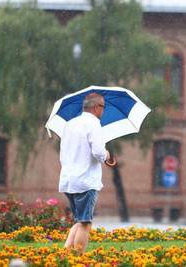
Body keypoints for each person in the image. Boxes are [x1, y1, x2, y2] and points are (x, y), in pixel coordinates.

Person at [58, 93, 116, 254]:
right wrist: (107, 155)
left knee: (78, 220)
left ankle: (65, 256)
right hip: (85, 181)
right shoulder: (94, 124)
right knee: (85, 223)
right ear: (97, 107)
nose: (103, 111)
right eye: (103, 107)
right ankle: (78, 258)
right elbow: (98, 152)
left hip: (69, 180)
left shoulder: (70, 124)